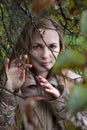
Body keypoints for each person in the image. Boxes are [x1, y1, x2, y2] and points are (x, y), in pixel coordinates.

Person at [0, 16, 87, 130]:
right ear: (26, 47)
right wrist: (8, 92)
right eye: (37, 47)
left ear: (60, 47)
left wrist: (61, 101)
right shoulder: (7, 83)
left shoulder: (77, 83)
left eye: (52, 46)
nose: (45, 55)